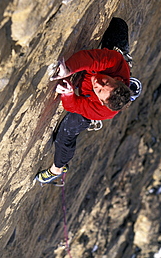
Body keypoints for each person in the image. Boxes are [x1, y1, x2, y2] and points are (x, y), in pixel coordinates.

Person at [35, 18, 142, 184]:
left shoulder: (101, 110)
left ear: (101, 100)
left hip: (88, 105)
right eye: (105, 82)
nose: (97, 82)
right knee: (119, 26)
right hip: (113, 64)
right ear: (116, 80)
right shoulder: (115, 63)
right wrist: (69, 69)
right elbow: (89, 58)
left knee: (65, 135)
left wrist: (69, 93)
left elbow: (72, 106)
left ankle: (57, 169)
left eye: (99, 90)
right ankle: (123, 65)